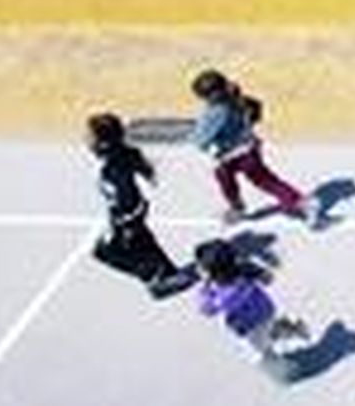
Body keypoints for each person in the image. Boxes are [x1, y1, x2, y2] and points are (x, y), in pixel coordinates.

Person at [88, 113, 198, 299]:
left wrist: (125, 223)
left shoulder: (112, 168)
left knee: (104, 252)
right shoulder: (120, 155)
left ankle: (152, 278)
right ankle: (169, 274)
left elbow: (124, 197)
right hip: (132, 215)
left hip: (126, 219)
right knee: (146, 244)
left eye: (90, 136)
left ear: (103, 142)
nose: (87, 139)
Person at [188, 70, 317, 226]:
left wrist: (198, 137)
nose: (204, 100)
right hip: (247, 149)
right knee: (253, 180)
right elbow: (255, 109)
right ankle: (296, 202)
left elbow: (200, 140)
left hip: (231, 155)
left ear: (213, 94)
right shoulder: (236, 97)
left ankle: (300, 203)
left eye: (204, 96)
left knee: (245, 182)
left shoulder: (217, 112)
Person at [194, 238, 311, 380]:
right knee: (270, 330)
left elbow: (207, 309)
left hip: (249, 325)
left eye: (201, 266)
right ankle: (291, 328)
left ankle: (285, 371)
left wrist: (204, 288)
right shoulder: (243, 269)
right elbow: (267, 277)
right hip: (266, 310)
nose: (198, 269)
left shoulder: (228, 293)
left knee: (260, 352)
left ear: (213, 271)